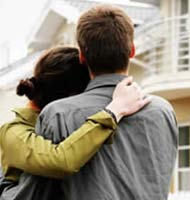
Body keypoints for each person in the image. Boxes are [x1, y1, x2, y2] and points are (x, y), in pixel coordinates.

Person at [5, 5, 178, 200]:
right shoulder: (163, 111)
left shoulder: (58, 114)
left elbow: (35, 193)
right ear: (132, 51)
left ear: (82, 56)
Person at [0, 47, 149, 199]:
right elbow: (61, 160)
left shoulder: (73, 124)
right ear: (72, 97)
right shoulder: (13, 132)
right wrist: (114, 111)